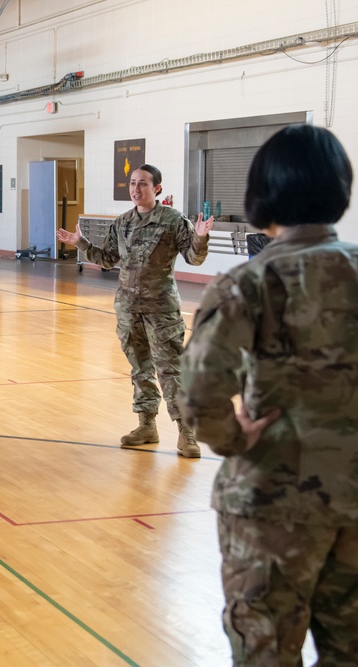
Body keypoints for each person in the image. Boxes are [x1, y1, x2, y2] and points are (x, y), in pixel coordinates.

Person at [178, 125, 358, 664]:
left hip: (275, 500)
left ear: (263, 193)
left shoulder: (250, 281)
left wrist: (233, 438)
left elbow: (200, 392)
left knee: (266, 650)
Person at [56, 164, 214, 457]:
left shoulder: (172, 220)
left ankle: (186, 433)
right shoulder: (123, 222)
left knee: (171, 371)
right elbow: (107, 259)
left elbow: (194, 259)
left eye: (143, 184)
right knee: (140, 369)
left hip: (161, 309)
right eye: (132, 183)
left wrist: (201, 237)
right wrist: (80, 243)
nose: (135, 189)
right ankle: (146, 425)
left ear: (157, 188)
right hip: (128, 309)